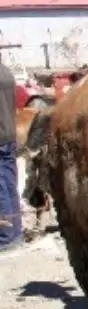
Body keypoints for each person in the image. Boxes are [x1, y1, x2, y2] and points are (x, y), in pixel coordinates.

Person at [0, 60, 22, 254]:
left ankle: (5, 237)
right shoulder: (6, 72)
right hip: (9, 135)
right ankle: (15, 231)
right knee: (9, 184)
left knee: (1, 188)